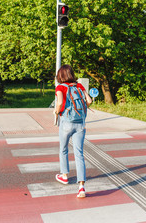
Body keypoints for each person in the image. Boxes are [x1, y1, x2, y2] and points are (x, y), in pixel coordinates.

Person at [54, 64, 92, 198]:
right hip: (80, 124)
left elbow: (59, 103)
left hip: (66, 122)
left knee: (63, 149)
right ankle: (81, 187)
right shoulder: (79, 86)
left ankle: (64, 175)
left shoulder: (60, 87)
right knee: (79, 153)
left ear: (60, 75)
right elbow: (89, 100)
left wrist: (56, 112)